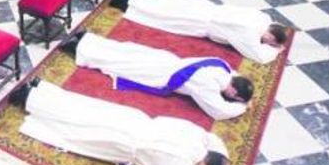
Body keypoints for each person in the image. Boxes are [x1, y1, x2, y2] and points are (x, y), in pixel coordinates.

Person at [10, 79, 234, 165]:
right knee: (75, 129)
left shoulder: (198, 138)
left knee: (84, 108)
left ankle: (39, 90)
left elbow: (215, 141)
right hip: (122, 141)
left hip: (134, 120)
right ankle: (27, 99)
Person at [62, 32, 253, 120]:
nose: (231, 98)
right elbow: (218, 111)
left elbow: (235, 75)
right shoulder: (208, 85)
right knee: (119, 63)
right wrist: (241, 106)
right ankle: (77, 49)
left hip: (167, 60)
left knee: (127, 51)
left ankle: (86, 39)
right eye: (234, 96)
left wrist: (244, 95)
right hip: (159, 75)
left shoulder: (224, 67)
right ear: (234, 90)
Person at [110, 0, 288, 64]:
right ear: (271, 37)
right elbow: (258, 56)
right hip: (202, 23)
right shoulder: (249, 33)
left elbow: (273, 23)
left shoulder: (262, 17)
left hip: (207, 8)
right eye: (270, 41)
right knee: (165, 17)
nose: (267, 42)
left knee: (170, 4)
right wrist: (276, 51)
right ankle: (125, 4)